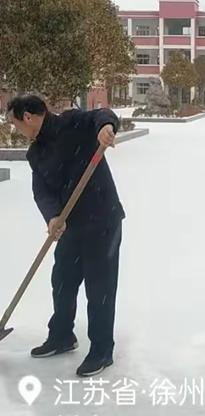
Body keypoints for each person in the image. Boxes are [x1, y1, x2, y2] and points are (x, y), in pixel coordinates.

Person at [7, 93, 125, 377]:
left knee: (100, 288)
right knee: (62, 281)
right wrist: (52, 217)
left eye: (14, 122)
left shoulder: (71, 123)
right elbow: (42, 192)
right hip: (70, 225)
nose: (15, 129)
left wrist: (106, 127)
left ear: (28, 117)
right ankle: (61, 336)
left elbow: (102, 114)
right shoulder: (36, 153)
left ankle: (101, 350)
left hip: (101, 220)